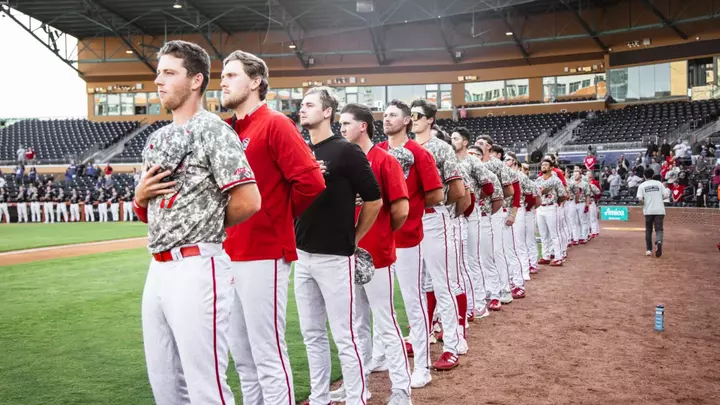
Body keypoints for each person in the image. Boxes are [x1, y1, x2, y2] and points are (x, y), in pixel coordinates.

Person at [132, 40, 262, 405]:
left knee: (206, 385)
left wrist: (205, 225)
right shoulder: (156, 139)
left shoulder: (214, 130)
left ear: (195, 81)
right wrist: (140, 197)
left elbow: (249, 200)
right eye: (159, 72)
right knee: (164, 383)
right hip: (157, 267)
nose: (159, 80)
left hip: (197, 265)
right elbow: (149, 212)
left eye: (169, 72)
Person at [220, 50, 326, 405]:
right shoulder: (228, 129)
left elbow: (311, 182)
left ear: (255, 82)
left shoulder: (275, 123)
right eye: (223, 75)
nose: (223, 81)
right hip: (228, 251)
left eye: (232, 75)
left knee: (268, 354)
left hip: (264, 252)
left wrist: (274, 217)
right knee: (243, 359)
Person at [293, 87, 382, 405]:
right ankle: (319, 398)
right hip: (302, 256)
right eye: (301, 105)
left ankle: (358, 396)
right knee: (312, 334)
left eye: (309, 105)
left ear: (328, 111)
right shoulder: (301, 150)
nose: (302, 109)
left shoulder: (346, 151)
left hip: (335, 257)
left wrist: (353, 240)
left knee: (344, 335)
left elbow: (374, 200)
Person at [336, 102, 411, 405]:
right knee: (355, 326)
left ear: (363, 125)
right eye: (339, 124)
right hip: (345, 253)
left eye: (345, 123)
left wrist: (381, 236)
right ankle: (358, 387)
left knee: (385, 321)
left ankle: (402, 390)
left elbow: (400, 209)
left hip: (375, 255)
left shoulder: (384, 160)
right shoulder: (342, 160)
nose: (340, 129)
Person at [376, 99, 443, 389]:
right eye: (385, 115)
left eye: (393, 115)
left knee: (412, 301)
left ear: (407, 121)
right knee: (379, 302)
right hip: (379, 238)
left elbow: (436, 194)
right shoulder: (377, 151)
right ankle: (379, 355)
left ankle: (423, 367)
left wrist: (410, 208)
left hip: (407, 237)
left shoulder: (419, 153)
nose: (387, 119)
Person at [410, 98, 467, 368]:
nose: (413, 119)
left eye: (418, 115)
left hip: (434, 217)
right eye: (410, 115)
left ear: (430, 119)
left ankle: (454, 345)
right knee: (418, 286)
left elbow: (458, 189)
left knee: (443, 284)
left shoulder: (440, 147)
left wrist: (445, 212)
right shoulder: (404, 147)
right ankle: (419, 336)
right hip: (409, 221)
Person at [450, 127, 494, 319]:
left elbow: (489, 187)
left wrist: (474, 201)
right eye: (451, 137)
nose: (453, 140)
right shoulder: (450, 159)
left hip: (471, 213)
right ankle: (465, 305)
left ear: (465, 142)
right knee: (458, 262)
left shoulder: (472, 161)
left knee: (472, 259)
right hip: (455, 213)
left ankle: (479, 304)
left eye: (456, 138)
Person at [475, 135, 521, 307]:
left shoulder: (496, 164)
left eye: (481, 143)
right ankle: (489, 289)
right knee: (481, 254)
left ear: (489, 146)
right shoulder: (473, 162)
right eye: (476, 142)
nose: (478, 145)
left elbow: (512, 188)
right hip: (477, 213)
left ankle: (504, 290)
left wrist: (499, 202)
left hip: (494, 212)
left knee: (497, 251)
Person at [535, 158, 567, 267]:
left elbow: (563, 195)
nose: (543, 166)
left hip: (551, 207)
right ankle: (546, 256)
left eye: (546, 165)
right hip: (541, 207)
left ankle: (558, 257)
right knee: (543, 234)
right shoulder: (538, 180)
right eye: (542, 165)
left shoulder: (556, 180)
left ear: (551, 167)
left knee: (554, 233)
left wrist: (556, 204)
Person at [637, 168, 669, 257]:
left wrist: (644, 204)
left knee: (648, 230)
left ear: (644, 176)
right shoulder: (659, 184)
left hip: (648, 210)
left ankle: (649, 250)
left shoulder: (642, 185)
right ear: (653, 175)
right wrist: (659, 199)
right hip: (659, 210)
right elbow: (666, 195)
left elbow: (640, 199)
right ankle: (658, 241)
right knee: (659, 229)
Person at [566, 167, 592, 245]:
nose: (575, 175)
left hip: (582, 203)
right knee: (574, 221)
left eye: (577, 174)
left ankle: (583, 237)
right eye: (574, 174)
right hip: (573, 203)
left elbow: (588, 195)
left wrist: (587, 205)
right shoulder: (571, 183)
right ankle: (576, 238)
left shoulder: (585, 184)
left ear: (580, 175)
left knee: (583, 220)